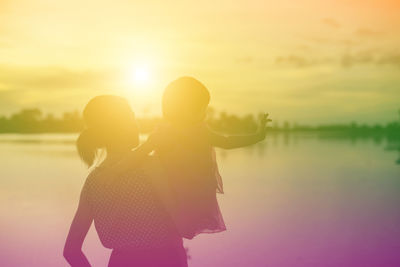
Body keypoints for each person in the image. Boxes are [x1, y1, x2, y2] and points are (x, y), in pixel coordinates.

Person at [121, 77, 271, 239]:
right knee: (171, 234)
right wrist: (257, 136)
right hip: (175, 196)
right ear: (185, 109)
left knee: (172, 234)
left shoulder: (170, 133)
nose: (204, 114)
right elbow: (228, 142)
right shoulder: (192, 133)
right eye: (201, 109)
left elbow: (140, 153)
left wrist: (116, 169)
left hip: (180, 196)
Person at [63, 95, 188, 267]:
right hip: (165, 259)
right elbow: (185, 222)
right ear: (121, 127)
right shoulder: (152, 166)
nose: (137, 124)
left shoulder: (93, 181)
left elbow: (71, 251)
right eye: (131, 118)